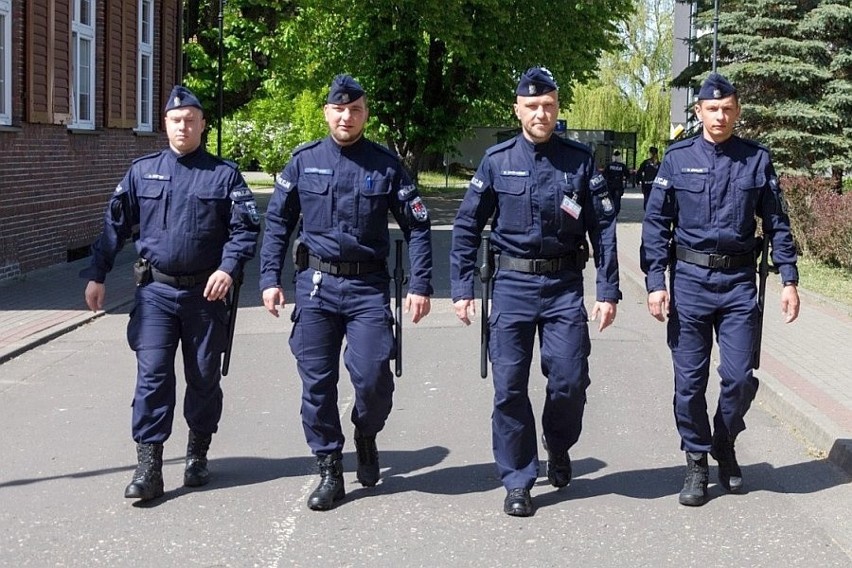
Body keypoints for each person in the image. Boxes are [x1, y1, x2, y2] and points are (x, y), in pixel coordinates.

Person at [450, 67, 620, 517]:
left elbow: (602, 228)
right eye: (532, 106)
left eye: (548, 105)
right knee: (509, 386)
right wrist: (461, 285)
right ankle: (519, 479)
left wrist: (607, 289)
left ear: (557, 108)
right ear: (517, 109)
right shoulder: (496, 160)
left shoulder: (579, 161)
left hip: (564, 285)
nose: (540, 113)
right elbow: (468, 224)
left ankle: (559, 444)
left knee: (568, 380)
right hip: (511, 286)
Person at [260, 74, 433, 512]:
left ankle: (366, 432)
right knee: (317, 382)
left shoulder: (385, 164)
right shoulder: (303, 161)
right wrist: (269, 279)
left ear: (365, 114)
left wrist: (421, 284)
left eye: (355, 110)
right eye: (339, 109)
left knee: (374, 375)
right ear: (326, 113)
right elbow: (278, 223)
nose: (346, 116)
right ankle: (330, 467)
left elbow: (417, 225)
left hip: (366, 288)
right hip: (316, 287)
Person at [80, 85, 261, 501]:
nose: (183, 126)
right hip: (156, 294)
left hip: (205, 296)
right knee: (153, 377)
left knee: (202, 378)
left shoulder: (224, 175)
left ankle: (198, 452)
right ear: (165, 124)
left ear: (202, 124)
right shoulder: (143, 171)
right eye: (176, 120)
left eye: (191, 120)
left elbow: (245, 229)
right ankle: (150, 467)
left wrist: (228, 268)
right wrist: (97, 273)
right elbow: (115, 227)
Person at [640, 72, 800, 507]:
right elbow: (656, 225)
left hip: (737, 284)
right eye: (712, 109)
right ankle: (696, 459)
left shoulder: (756, 160)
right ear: (699, 112)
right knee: (689, 383)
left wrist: (789, 278)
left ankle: (724, 440)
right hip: (690, 283)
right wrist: (656, 282)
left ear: (737, 112)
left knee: (739, 379)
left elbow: (778, 224)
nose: (720, 116)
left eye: (728, 109)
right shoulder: (676, 159)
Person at [603, 149, 629, 214]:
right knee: (617, 200)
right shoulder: (622, 166)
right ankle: (615, 213)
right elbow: (627, 174)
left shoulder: (609, 165)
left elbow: (604, 174)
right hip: (618, 185)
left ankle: (609, 213)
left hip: (610, 184)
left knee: (609, 199)